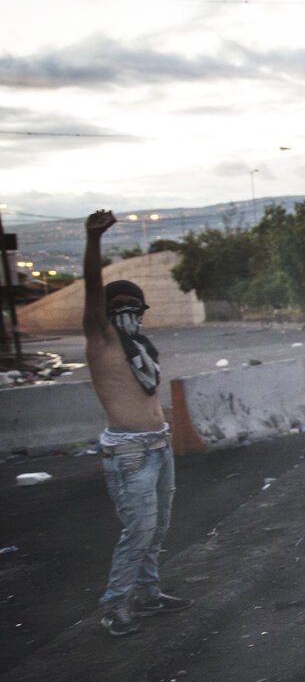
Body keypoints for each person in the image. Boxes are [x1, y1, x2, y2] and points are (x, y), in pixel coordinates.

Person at [83, 211, 192, 637]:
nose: (128, 311)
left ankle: (147, 595)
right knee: (139, 531)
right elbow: (93, 289)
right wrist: (93, 240)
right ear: (106, 313)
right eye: (119, 306)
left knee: (157, 529)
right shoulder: (101, 340)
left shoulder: (140, 346)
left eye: (134, 305)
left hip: (158, 447)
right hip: (129, 453)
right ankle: (114, 607)